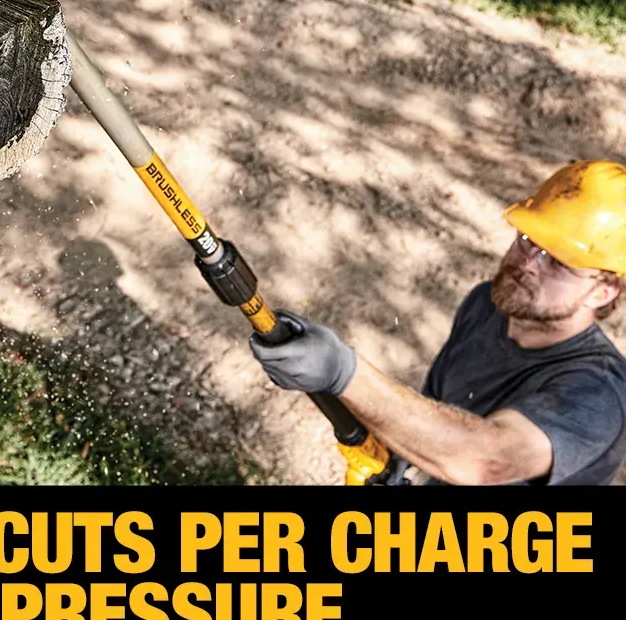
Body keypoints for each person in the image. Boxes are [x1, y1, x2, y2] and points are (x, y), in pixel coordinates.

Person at [249, 159, 626, 485]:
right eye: (528, 239)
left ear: (603, 291)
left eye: (558, 262)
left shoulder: (601, 395)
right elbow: (439, 403)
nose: (528, 262)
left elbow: (487, 461)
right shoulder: (485, 306)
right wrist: (400, 453)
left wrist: (342, 372)